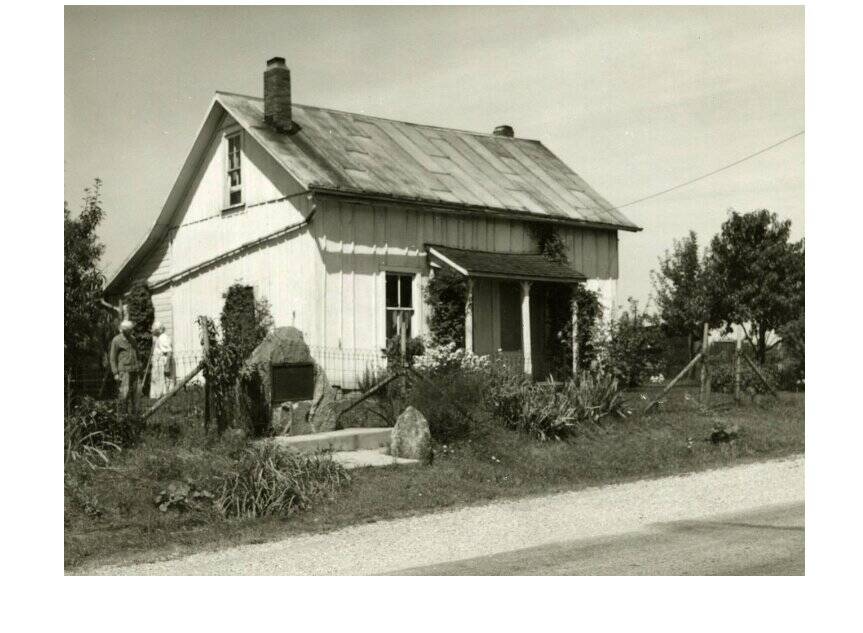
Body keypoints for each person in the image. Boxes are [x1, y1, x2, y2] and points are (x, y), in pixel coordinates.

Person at [110, 320, 140, 415]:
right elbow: (112, 358)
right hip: (124, 372)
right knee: (124, 395)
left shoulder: (133, 339)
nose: (132, 331)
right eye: (130, 330)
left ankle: (135, 416)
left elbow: (137, 354)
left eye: (131, 329)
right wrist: (115, 373)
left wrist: (139, 366)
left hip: (134, 370)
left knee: (136, 395)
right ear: (124, 330)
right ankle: (123, 416)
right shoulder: (116, 340)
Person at [149, 321, 174, 399]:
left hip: (163, 363)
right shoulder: (159, 338)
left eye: (153, 329)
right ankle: (159, 395)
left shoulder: (163, 338)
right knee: (158, 379)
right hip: (158, 363)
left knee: (164, 380)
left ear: (158, 330)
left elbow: (169, 351)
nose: (152, 331)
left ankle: (164, 396)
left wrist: (167, 366)